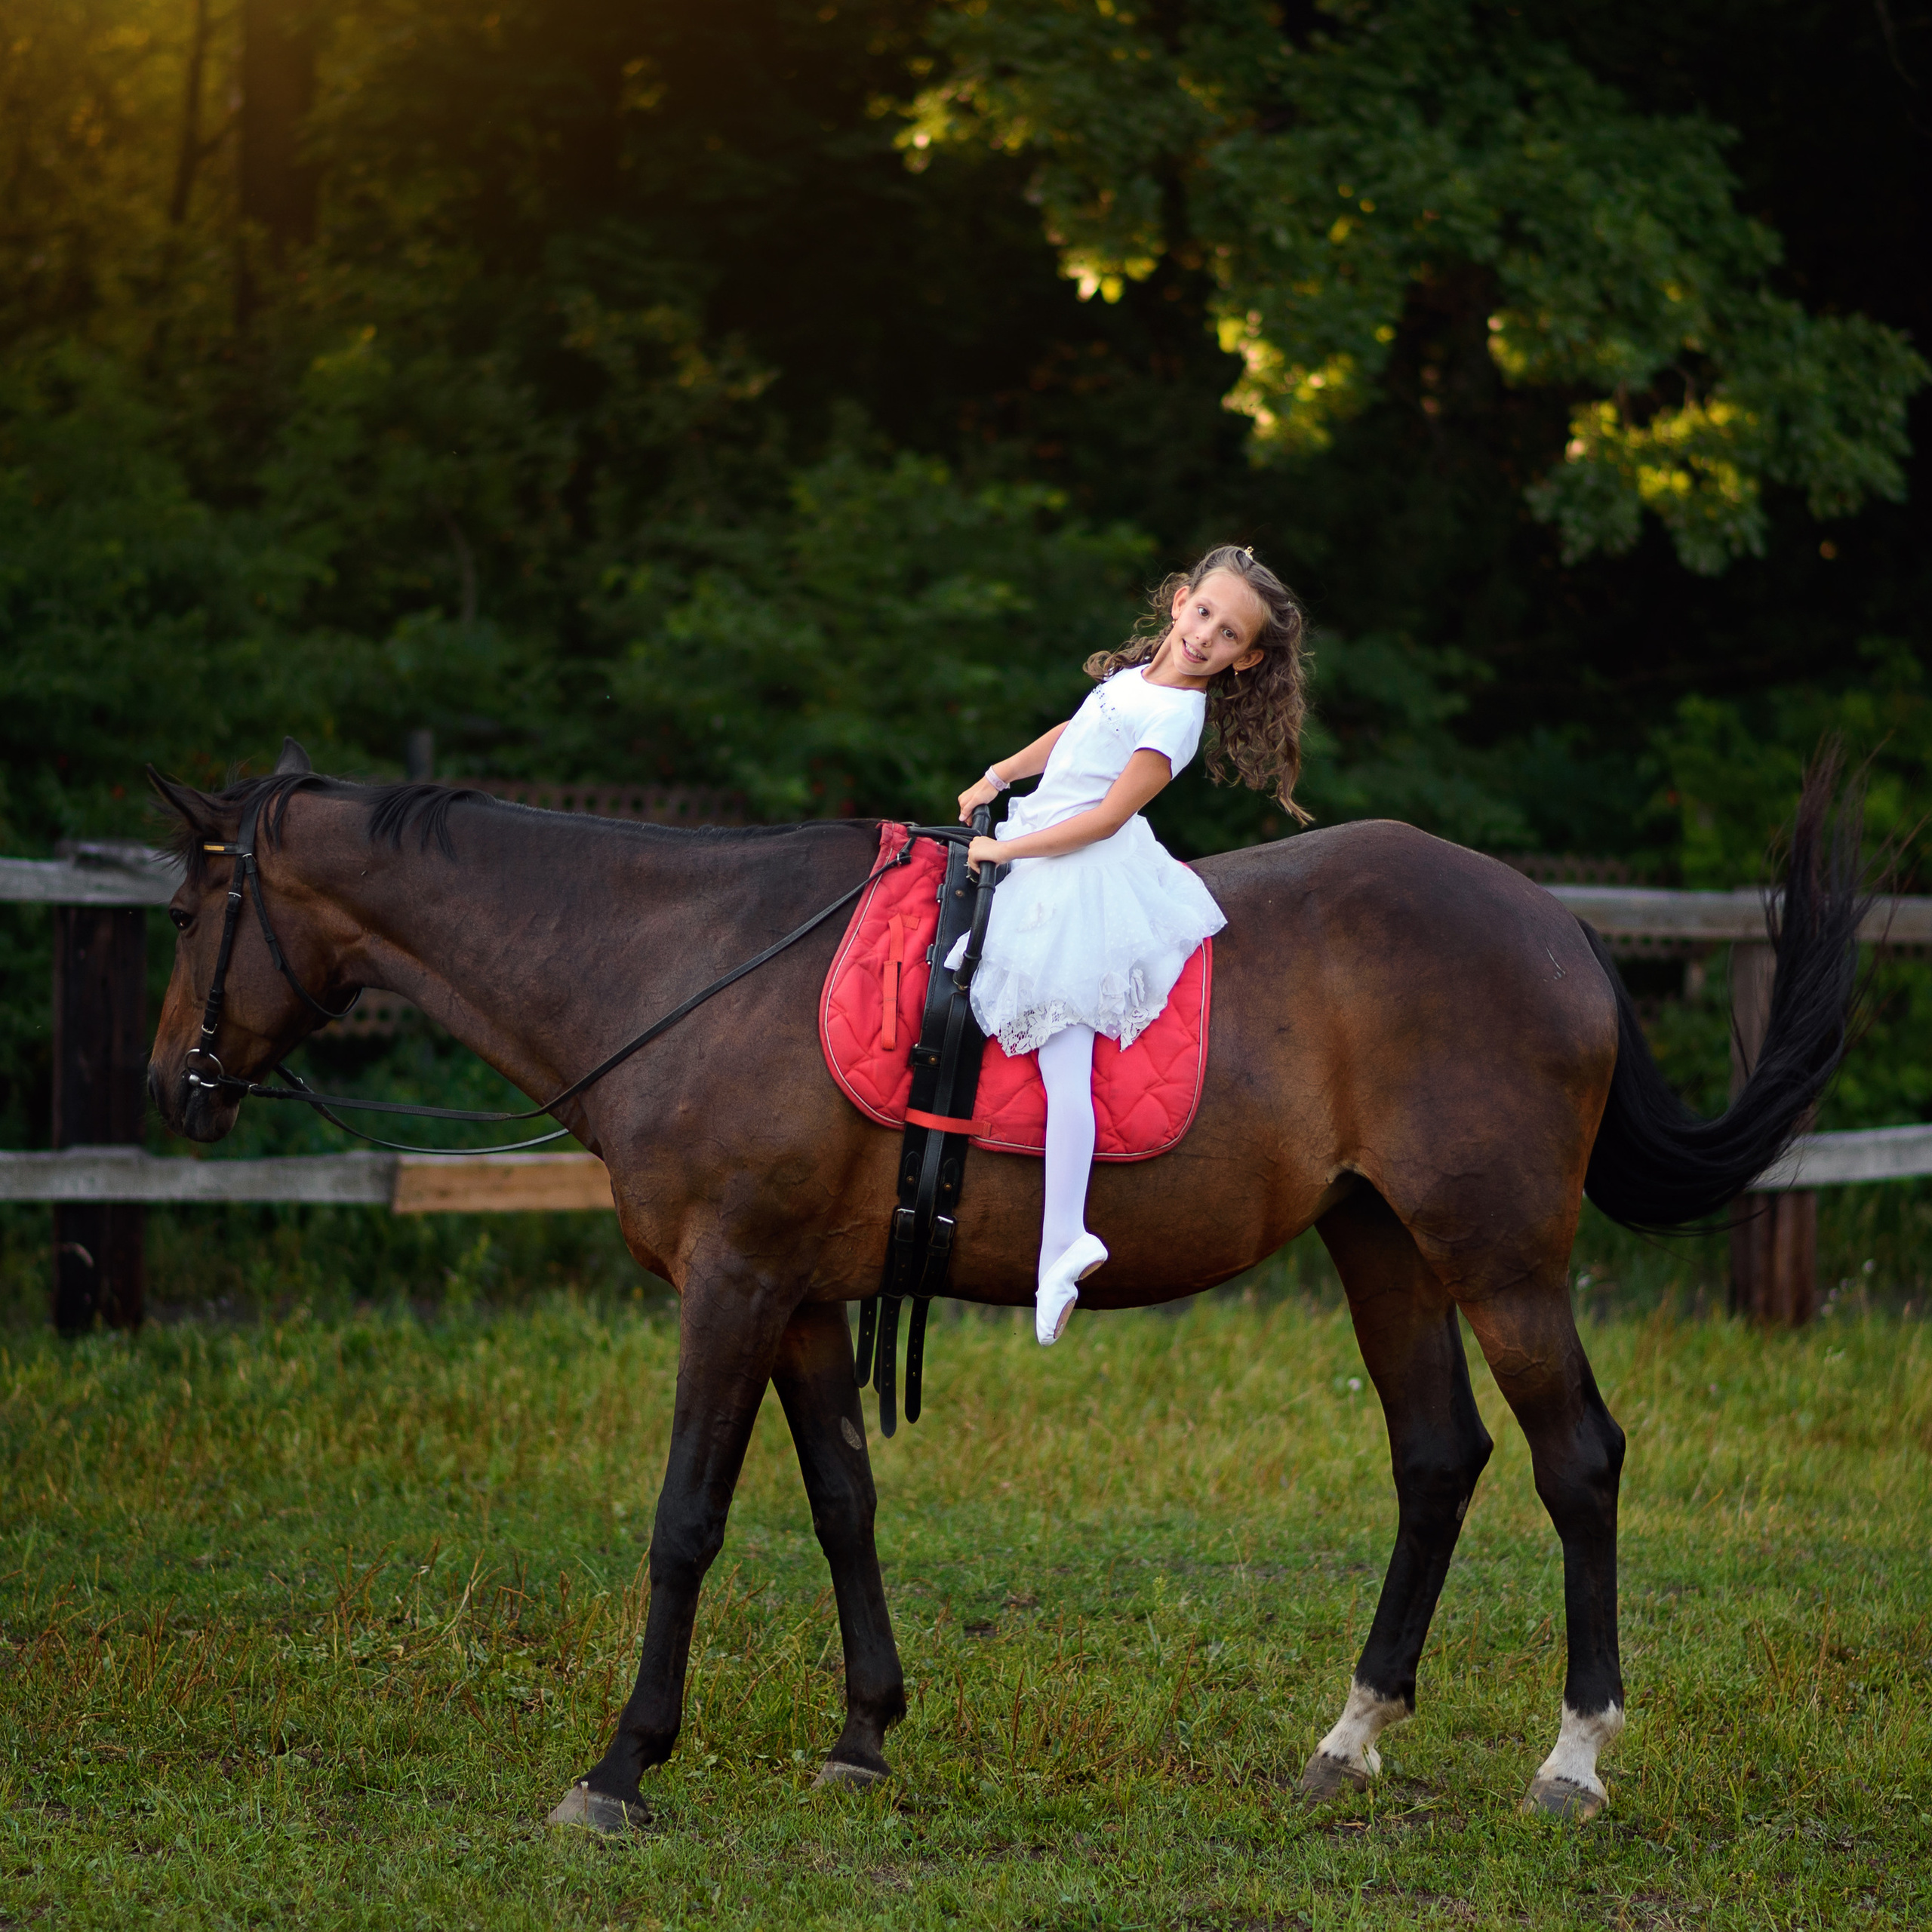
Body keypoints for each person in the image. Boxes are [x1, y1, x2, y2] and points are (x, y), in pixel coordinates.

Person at [953, 545, 1311, 1345]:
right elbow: (1072, 733)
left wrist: (1005, 851)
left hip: (1083, 874)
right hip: (1046, 840)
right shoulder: (1133, 680)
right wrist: (1000, 774)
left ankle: (1064, 1240)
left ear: (1244, 659)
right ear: (1180, 602)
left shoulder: (1177, 717)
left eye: (1228, 635)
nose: (1206, 634)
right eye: (1204, 613)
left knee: (1064, 1058)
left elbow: (1109, 816)